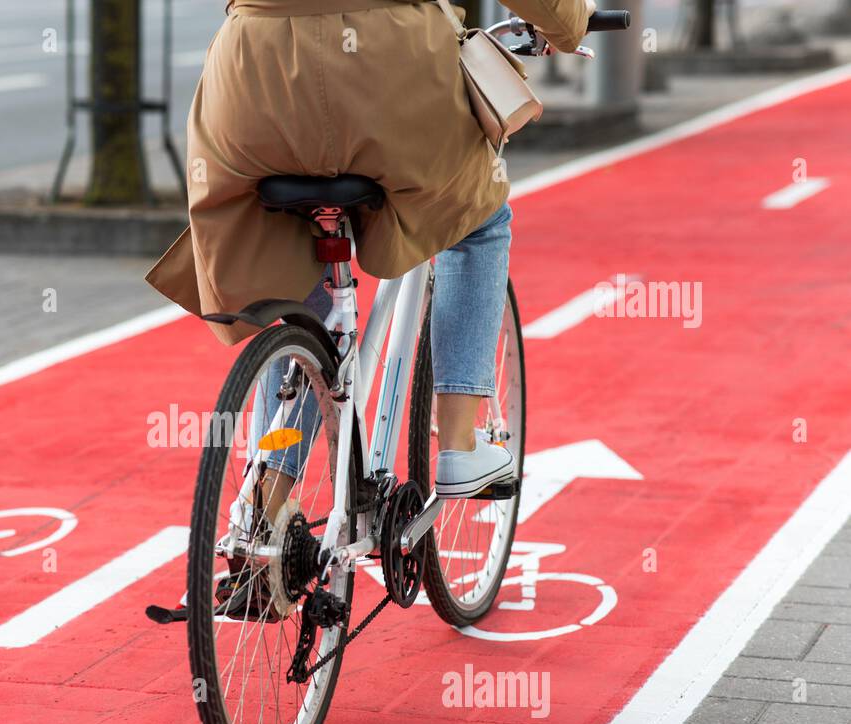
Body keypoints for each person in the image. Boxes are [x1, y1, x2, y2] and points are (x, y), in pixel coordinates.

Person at [146, 0, 595, 499]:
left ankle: (267, 497)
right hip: (391, 80)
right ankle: (460, 446)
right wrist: (571, 21)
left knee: (287, 262)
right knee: (476, 218)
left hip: (253, 84)